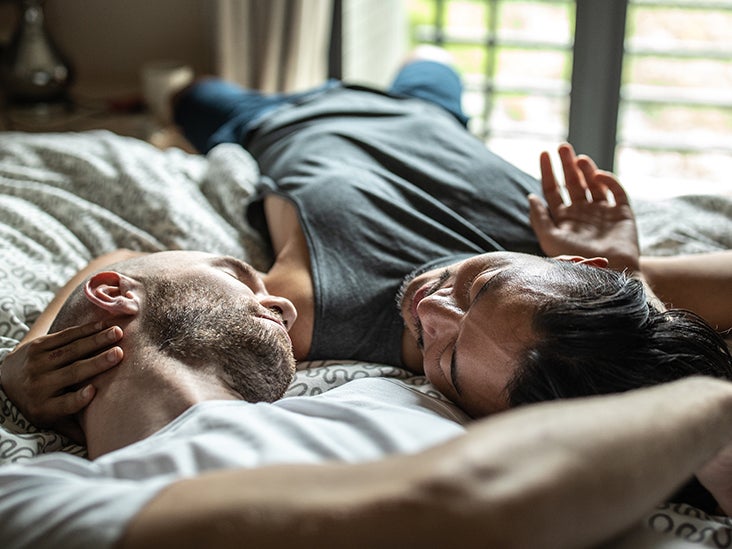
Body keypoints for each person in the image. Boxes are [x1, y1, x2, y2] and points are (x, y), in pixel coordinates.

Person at [2, 49, 731, 428]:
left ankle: (176, 111)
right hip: (428, 115)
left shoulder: (315, 309)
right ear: (579, 266)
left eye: (442, 357)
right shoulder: (596, 283)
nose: (427, 304)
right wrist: (632, 270)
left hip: (278, 122)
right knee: (434, 66)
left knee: (189, 93)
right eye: (481, 284)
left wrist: (28, 357)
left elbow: (125, 267)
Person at [5, 248, 732, 547]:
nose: (283, 305)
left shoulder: (407, 394)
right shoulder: (33, 495)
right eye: (235, 266)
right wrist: (20, 363)